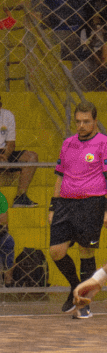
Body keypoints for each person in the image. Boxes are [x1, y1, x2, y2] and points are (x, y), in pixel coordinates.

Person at [49, 101, 107, 318]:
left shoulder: (103, 143)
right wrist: (53, 206)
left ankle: (84, 305)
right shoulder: (68, 143)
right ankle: (75, 287)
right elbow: (59, 176)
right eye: (78, 121)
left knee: (86, 251)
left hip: (91, 204)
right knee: (56, 251)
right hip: (65, 204)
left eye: (86, 121)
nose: (81, 125)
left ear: (94, 120)